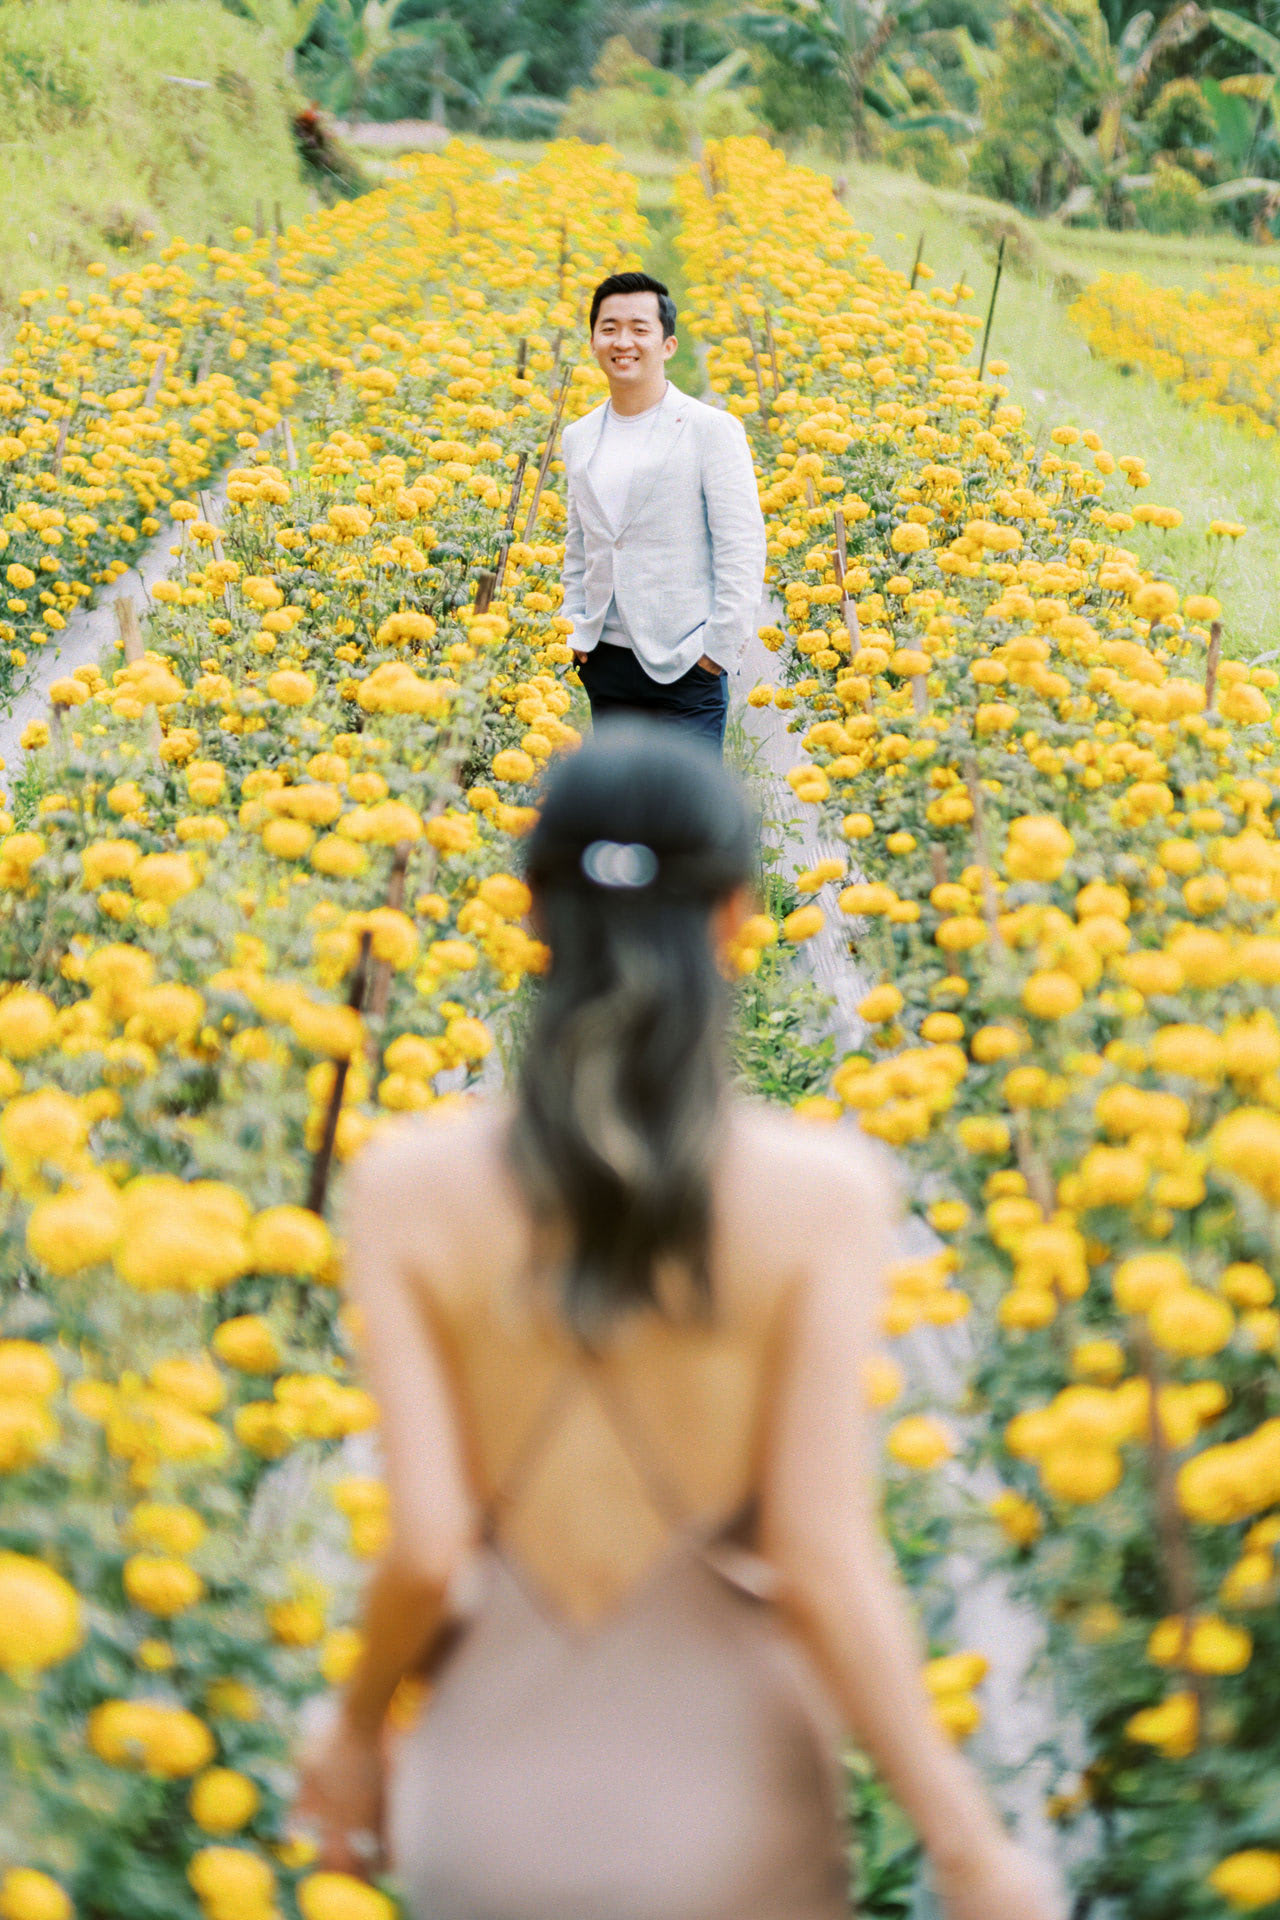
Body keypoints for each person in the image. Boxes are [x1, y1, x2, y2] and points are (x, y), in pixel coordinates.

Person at [291, 721, 1064, 1920]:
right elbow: (820, 1556)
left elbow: (427, 1549)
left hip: (489, 1810)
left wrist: (350, 1735)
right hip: (735, 1809)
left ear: (531, 916)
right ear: (737, 921)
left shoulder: (408, 1191)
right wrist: (965, 1846)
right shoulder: (819, 1201)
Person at [559, 271, 766, 756]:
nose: (623, 341)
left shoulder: (709, 429)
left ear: (668, 344)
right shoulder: (579, 437)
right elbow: (579, 542)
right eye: (609, 328)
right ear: (592, 341)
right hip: (604, 662)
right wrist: (573, 622)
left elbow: (742, 544)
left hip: (686, 660)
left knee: (683, 824)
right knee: (620, 818)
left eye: (639, 328)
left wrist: (717, 651)